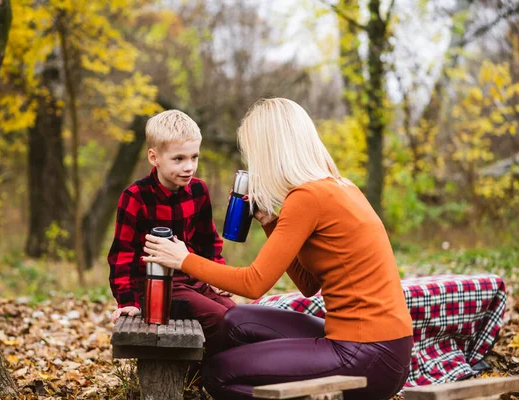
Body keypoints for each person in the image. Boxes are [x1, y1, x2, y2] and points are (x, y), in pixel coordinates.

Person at [142, 98, 414, 400]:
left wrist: (184, 259)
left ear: (269, 150)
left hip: (366, 356)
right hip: (386, 348)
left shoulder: (307, 198)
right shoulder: (340, 187)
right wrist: (271, 223)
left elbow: (253, 282)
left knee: (219, 373)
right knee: (237, 320)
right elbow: (309, 285)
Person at [107, 109, 235, 356]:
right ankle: (201, 377)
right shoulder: (135, 197)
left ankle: (231, 369)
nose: (189, 167)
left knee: (239, 316)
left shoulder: (199, 190)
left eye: (194, 157)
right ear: (154, 157)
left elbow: (208, 240)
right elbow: (121, 256)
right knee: (220, 318)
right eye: (178, 159)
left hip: (195, 276)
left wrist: (217, 276)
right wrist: (128, 302)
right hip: (158, 286)